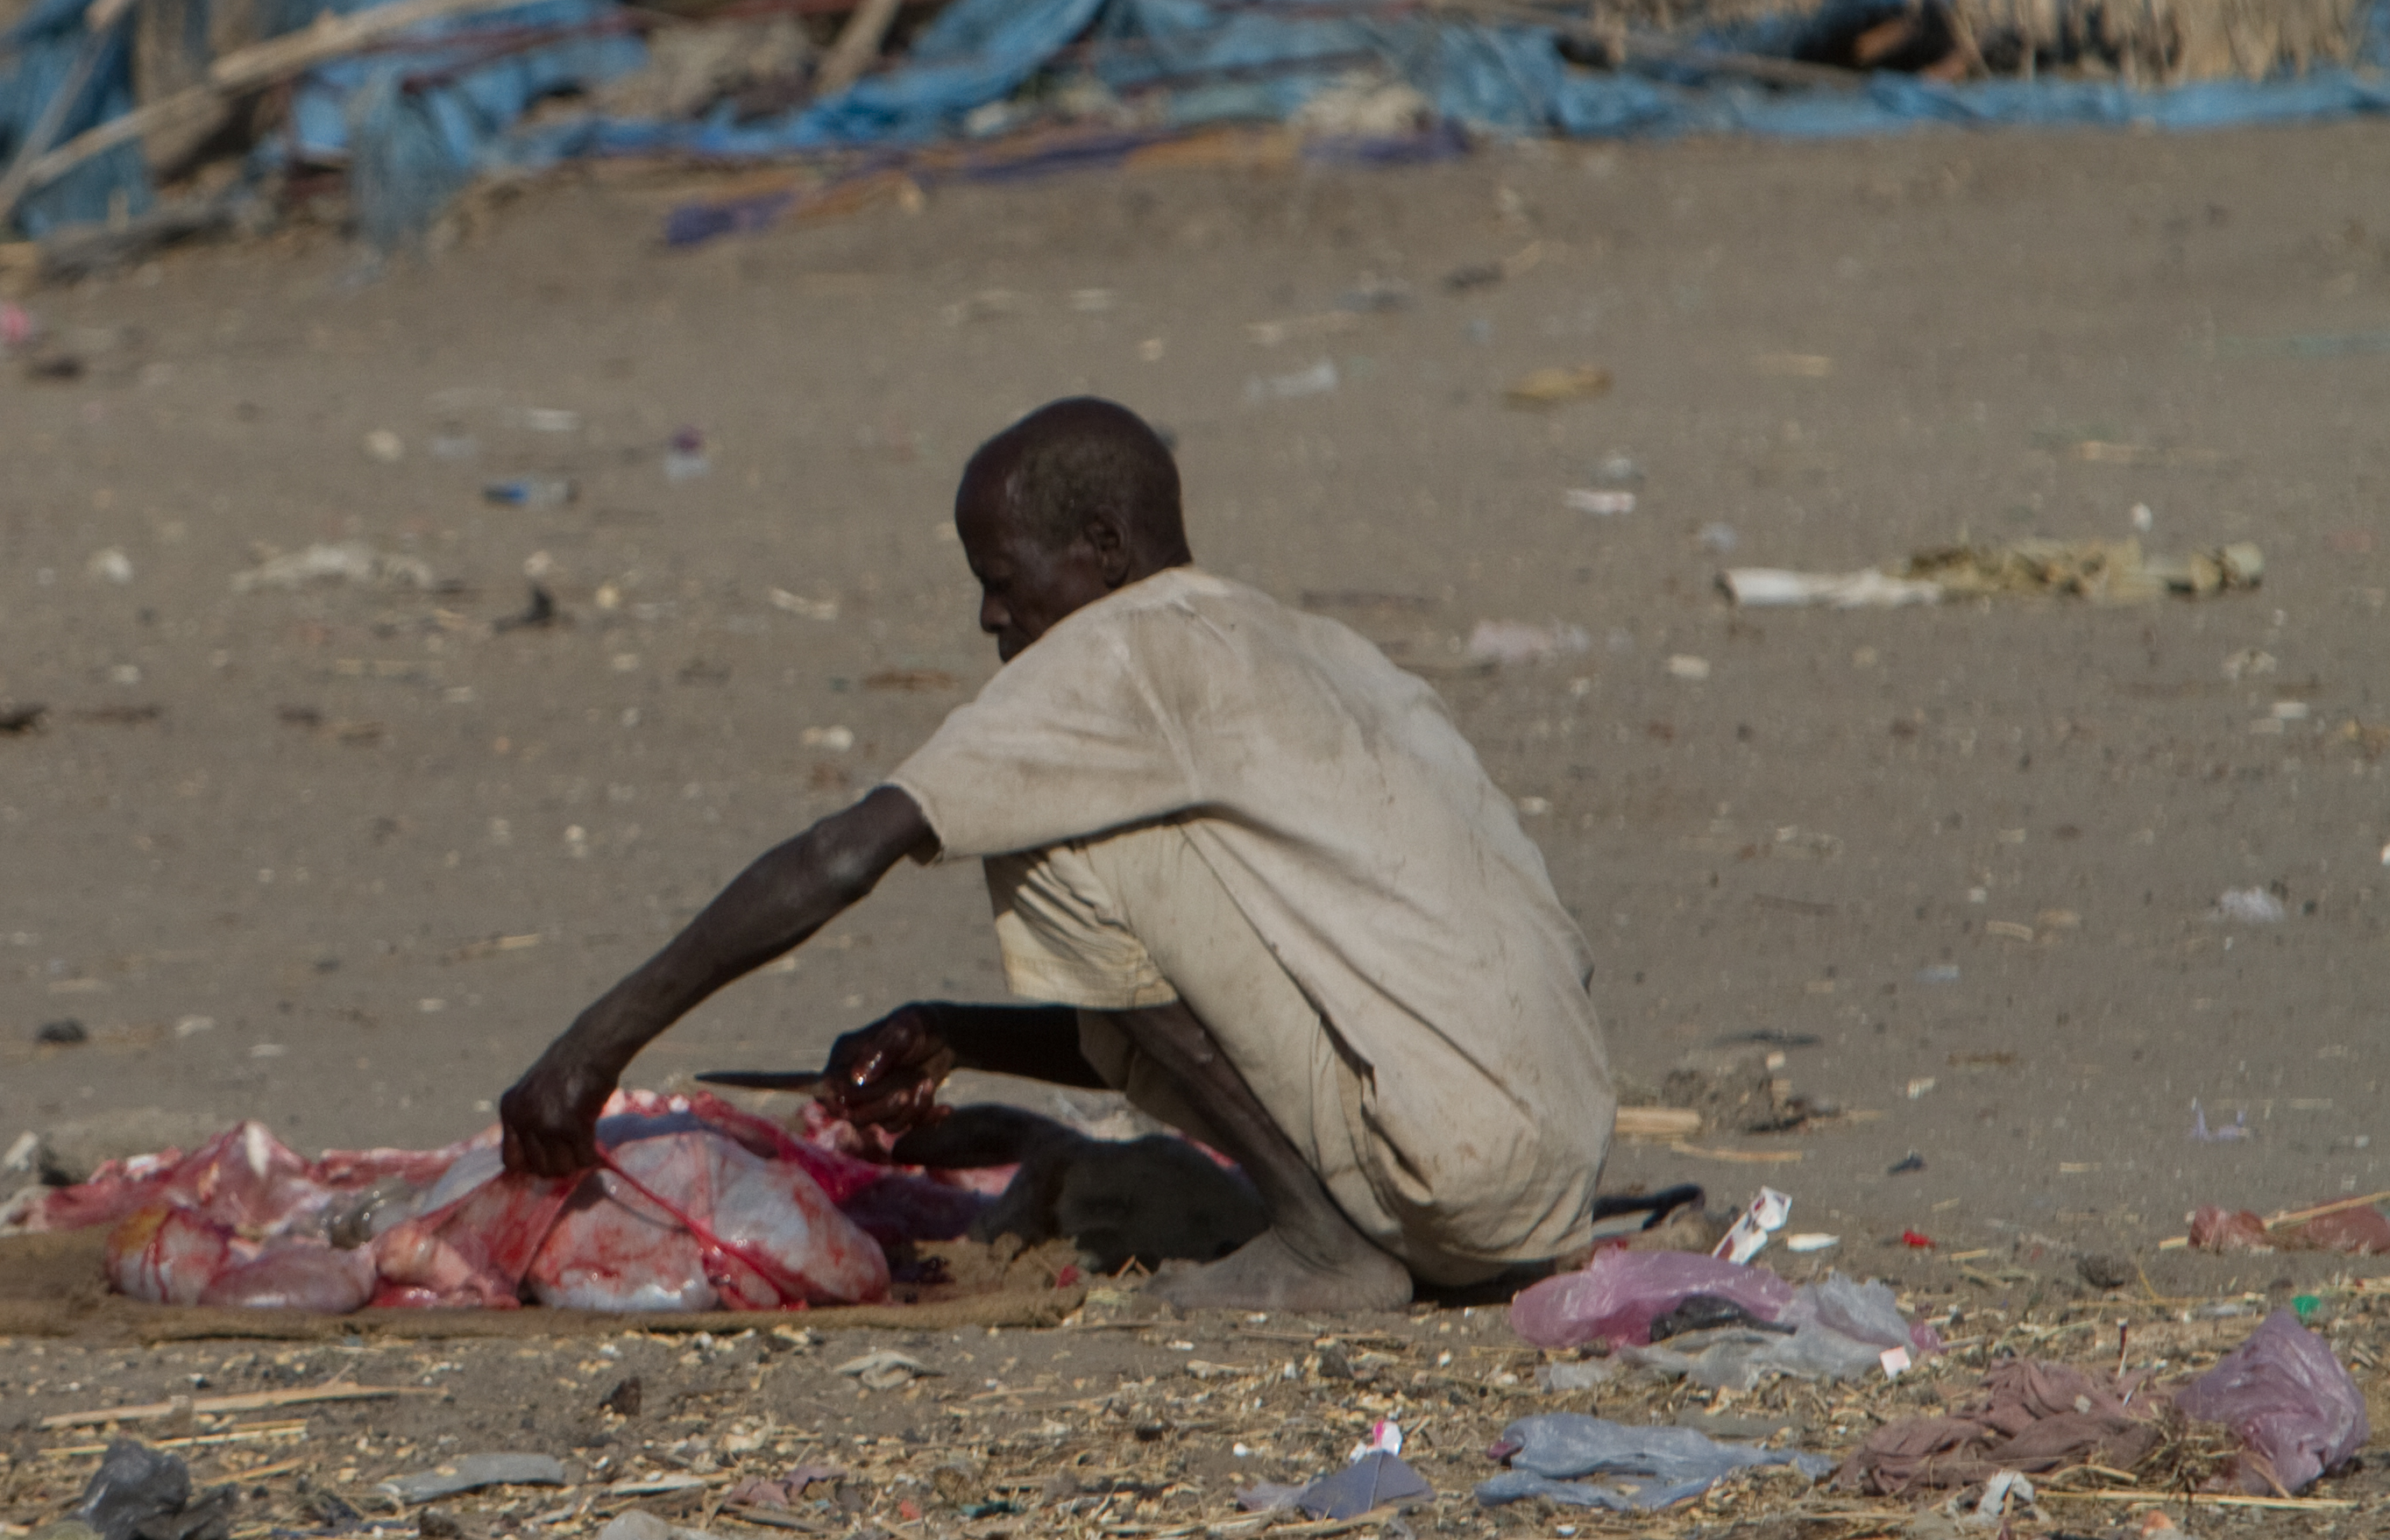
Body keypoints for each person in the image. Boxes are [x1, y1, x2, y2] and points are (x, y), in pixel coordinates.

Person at [497, 396, 1613, 1312]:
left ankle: (1322, 1248)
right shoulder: (1320, 651)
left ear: (1104, 550)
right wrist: (954, 1031)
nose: (992, 617)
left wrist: (590, 1051)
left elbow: (844, 857)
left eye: (1002, 577)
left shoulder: (1115, 655)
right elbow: (1219, 1023)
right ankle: (1343, 1230)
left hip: (1437, 1174)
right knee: (1091, 848)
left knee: (1039, 839)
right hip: (1545, 1172)